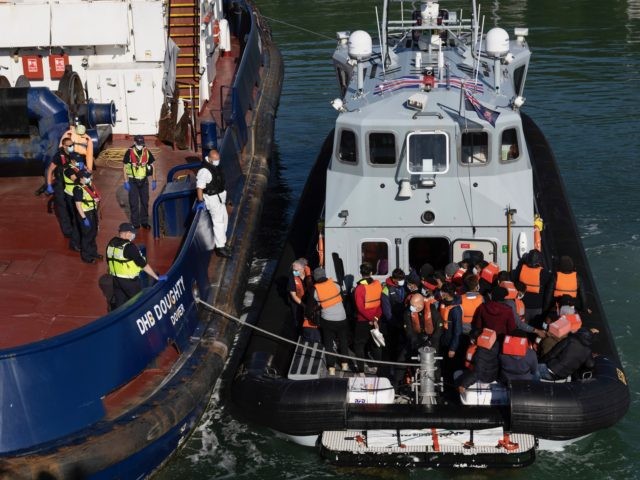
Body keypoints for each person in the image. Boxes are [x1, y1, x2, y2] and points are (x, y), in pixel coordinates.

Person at [106, 223, 167, 310]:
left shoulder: (111, 243)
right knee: (137, 303)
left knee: (119, 305)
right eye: (132, 233)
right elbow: (143, 264)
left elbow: (109, 261)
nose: (134, 235)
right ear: (127, 233)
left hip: (116, 279)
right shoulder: (129, 247)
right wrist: (156, 277)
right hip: (130, 282)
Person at [311, 267, 350, 375]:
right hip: (342, 318)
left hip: (327, 321)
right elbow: (342, 298)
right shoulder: (336, 284)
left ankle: (331, 368)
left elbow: (310, 308)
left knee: (328, 343)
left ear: (315, 277)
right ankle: (345, 364)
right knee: (343, 341)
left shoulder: (315, 289)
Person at [194, 149, 231, 258]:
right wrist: (201, 201)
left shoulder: (214, 166)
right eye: (215, 160)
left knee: (224, 218)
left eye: (218, 159)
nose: (217, 161)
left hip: (220, 198)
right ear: (210, 159)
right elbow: (200, 187)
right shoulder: (204, 171)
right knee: (218, 222)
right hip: (212, 199)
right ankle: (220, 248)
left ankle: (222, 242)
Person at [353, 262, 383, 373]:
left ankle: (361, 370)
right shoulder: (378, 284)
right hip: (375, 319)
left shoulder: (359, 289)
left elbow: (360, 308)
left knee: (359, 345)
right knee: (376, 343)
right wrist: (375, 319)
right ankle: (379, 367)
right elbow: (380, 304)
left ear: (361, 273)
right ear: (371, 272)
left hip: (363, 321)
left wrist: (370, 319)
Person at [123, 135, 156, 229]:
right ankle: (135, 223)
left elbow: (153, 166)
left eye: (142, 144)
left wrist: (154, 180)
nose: (140, 146)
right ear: (134, 143)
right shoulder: (129, 153)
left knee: (145, 202)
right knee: (134, 203)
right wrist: (125, 181)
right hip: (133, 181)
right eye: (138, 144)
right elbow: (124, 167)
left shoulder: (147, 152)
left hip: (144, 180)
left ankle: (144, 221)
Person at [46, 137, 76, 238]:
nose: (72, 147)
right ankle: (67, 231)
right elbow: (50, 170)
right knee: (62, 207)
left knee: (72, 205)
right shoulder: (59, 156)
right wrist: (49, 185)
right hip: (60, 184)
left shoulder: (72, 155)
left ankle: (74, 226)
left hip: (70, 184)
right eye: (70, 145)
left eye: (73, 144)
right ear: (64, 146)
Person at [512, 249, 551, 324]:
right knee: (536, 329)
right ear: (539, 260)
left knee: (522, 327)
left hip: (522, 306)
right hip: (537, 307)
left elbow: (513, 278)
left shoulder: (520, 269)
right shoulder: (544, 273)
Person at [73, 171, 102, 263]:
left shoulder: (88, 185)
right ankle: (86, 256)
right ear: (81, 178)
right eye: (87, 177)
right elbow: (78, 205)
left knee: (93, 233)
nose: (89, 178)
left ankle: (93, 252)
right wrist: (84, 218)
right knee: (87, 236)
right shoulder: (78, 189)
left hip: (92, 212)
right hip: (85, 214)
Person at [288, 258, 319, 342]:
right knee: (297, 317)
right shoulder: (292, 278)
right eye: (293, 270)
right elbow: (293, 296)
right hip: (298, 301)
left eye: (296, 270)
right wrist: (303, 305)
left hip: (309, 299)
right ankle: (299, 333)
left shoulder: (310, 276)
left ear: (303, 269)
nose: (294, 272)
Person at [62, 152, 86, 252]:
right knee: (76, 220)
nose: (79, 162)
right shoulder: (68, 170)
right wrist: (84, 177)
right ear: (72, 161)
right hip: (71, 196)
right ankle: (74, 243)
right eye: (77, 161)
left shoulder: (78, 167)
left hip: (78, 195)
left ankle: (80, 239)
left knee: (79, 219)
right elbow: (76, 180)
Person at [381, 268, 406, 362]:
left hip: (402, 321)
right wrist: (396, 324)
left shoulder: (402, 287)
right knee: (391, 345)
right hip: (391, 324)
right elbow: (387, 312)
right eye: (400, 280)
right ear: (394, 279)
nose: (402, 281)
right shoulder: (386, 290)